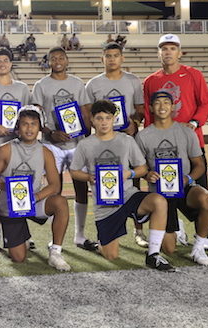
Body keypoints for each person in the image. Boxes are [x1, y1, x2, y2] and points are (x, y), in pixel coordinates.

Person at [70, 100, 175, 272]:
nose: (104, 122)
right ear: (92, 120)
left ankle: (153, 254)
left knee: (159, 201)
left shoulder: (126, 140)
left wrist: (129, 174)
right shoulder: (85, 144)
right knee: (111, 255)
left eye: (108, 118)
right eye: (99, 118)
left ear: (114, 119)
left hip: (128, 195)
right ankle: (101, 245)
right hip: (105, 204)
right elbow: (74, 171)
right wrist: (88, 177)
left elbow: (142, 168)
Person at [136, 91, 208, 266]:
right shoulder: (142, 136)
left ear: (173, 107)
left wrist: (187, 179)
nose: (162, 106)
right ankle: (176, 227)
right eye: (157, 103)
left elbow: (199, 165)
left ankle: (198, 248)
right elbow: (139, 167)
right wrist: (148, 174)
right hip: (161, 192)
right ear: (151, 108)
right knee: (169, 249)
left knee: (207, 199)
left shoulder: (186, 132)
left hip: (184, 186)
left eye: (166, 102)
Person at [0, 106, 71, 270]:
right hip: (10, 204)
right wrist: (10, 188)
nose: (29, 128)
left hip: (33, 201)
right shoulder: (4, 150)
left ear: (39, 127)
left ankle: (55, 252)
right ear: (18, 127)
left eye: (33, 124)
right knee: (18, 258)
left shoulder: (46, 152)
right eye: (25, 124)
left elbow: (55, 185)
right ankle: (22, 235)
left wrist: (35, 197)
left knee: (60, 202)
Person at [31, 47, 95, 251]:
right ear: (48, 62)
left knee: (81, 189)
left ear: (67, 61)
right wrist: (51, 133)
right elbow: (36, 117)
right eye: (53, 58)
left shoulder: (77, 83)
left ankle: (80, 236)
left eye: (61, 57)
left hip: (76, 144)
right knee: (54, 191)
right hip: (52, 145)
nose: (57, 61)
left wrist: (85, 135)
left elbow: (85, 112)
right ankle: (55, 239)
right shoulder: (41, 85)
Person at [86, 42, 148, 248]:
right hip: (104, 143)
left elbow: (140, 109)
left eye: (115, 55)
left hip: (128, 140)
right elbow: (89, 116)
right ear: (102, 59)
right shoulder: (93, 84)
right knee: (103, 184)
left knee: (134, 184)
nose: (112, 59)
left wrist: (134, 123)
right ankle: (108, 232)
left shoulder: (132, 81)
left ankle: (139, 231)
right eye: (108, 56)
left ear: (122, 58)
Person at [143, 33, 208, 213]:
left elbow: (205, 103)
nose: (168, 52)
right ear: (159, 53)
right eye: (164, 49)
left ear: (179, 53)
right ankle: (174, 225)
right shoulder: (150, 81)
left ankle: (204, 230)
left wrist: (195, 122)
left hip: (191, 142)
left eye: (173, 48)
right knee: (165, 194)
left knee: (201, 196)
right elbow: (148, 114)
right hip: (163, 146)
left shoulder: (194, 75)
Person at [0, 47, 31, 252]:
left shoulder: (22, 88)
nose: (2, 64)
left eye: (5, 60)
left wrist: (21, 130)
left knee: (22, 189)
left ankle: (23, 236)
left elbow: (29, 117)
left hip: (19, 148)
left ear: (11, 64)